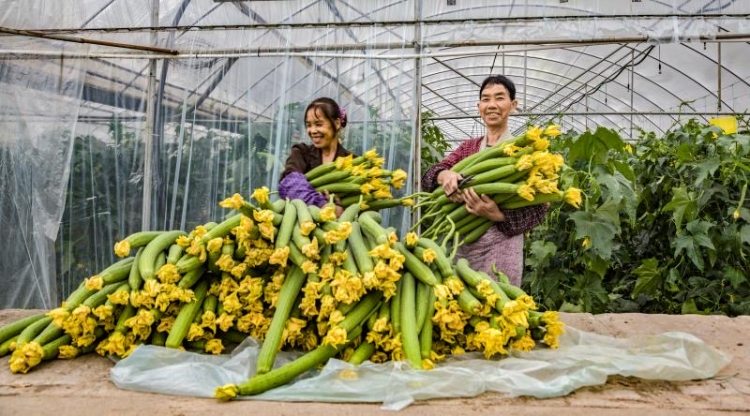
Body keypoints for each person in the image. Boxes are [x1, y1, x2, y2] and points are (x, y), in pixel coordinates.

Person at [421, 75, 548, 286]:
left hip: (502, 246)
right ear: (478, 106)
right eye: (486, 99)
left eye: (499, 98)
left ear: (513, 105)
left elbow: (539, 210)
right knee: (460, 305)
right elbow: (430, 176)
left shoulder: (527, 155)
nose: (492, 105)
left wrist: (497, 214)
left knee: (498, 303)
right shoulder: (468, 149)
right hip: (462, 243)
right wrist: (445, 176)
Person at [279, 97, 352, 215]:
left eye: (318, 124)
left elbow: (366, 205)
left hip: (340, 230)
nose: (312, 130)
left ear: (337, 123)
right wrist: (322, 205)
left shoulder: (353, 162)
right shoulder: (301, 152)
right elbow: (289, 183)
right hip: (301, 227)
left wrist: (345, 212)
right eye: (309, 125)